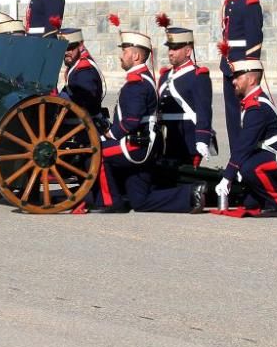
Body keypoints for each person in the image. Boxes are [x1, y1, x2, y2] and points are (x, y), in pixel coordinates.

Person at [88, 21, 206, 213]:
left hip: (136, 146)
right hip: (143, 144)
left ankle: (109, 201)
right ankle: (191, 195)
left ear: (135, 56)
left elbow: (131, 121)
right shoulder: (141, 78)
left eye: (125, 52)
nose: (121, 56)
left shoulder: (137, 82)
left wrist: (108, 135)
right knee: (140, 201)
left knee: (95, 152)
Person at [216, 59, 277, 214]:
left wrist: (228, 177)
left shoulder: (256, 108)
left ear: (252, 79)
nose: (233, 81)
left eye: (238, 76)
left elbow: (244, 146)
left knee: (249, 168)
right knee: (249, 202)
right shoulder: (252, 101)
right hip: (276, 156)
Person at [156, 19, 215, 167]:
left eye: (175, 48)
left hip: (188, 140)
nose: (170, 52)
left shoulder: (198, 76)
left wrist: (202, 138)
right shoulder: (165, 75)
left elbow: (204, 111)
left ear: (188, 51)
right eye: (170, 48)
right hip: (165, 139)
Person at [219, 0, 262, 145]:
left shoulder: (250, 2)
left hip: (242, 64)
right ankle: (236, 155)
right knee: (232, 113)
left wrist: (249, 68)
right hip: (228, 63)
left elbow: (254, 38)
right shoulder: (229, 2)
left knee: (247, 112)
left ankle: (248, 152)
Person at [57, 28, 105, 123]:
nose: (66, 52)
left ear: (80, 46)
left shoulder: (84, 71)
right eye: (63, 48)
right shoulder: (75, 65)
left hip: (82, 124)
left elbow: (86, 103)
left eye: (70, 48)